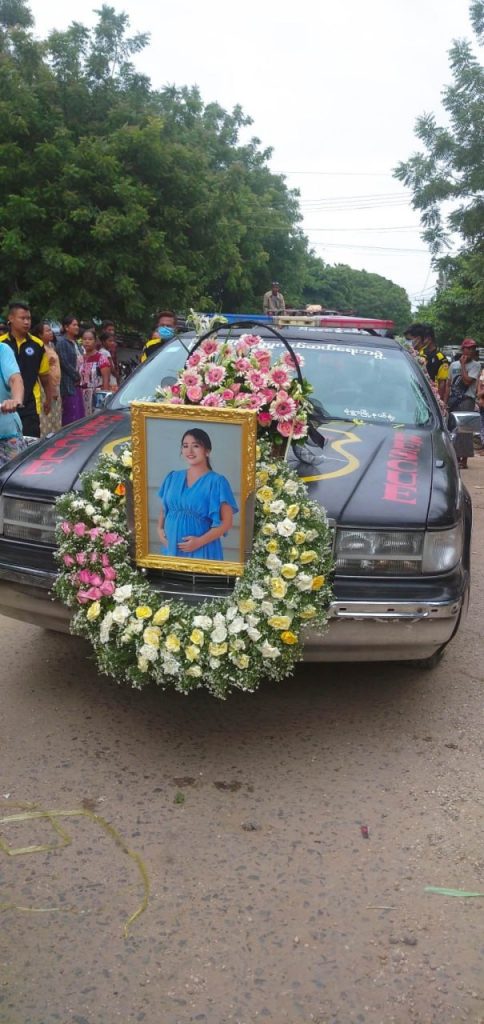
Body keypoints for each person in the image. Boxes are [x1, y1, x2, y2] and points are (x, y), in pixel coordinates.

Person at [157, 428, 238, 560]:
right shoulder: (172, 477)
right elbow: (165, 509)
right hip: (171, 549)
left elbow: (227, 523)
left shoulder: (217, 482)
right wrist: (160, 530)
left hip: (202, 550)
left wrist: (199, 542)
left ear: (207, 451)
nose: (189, 451)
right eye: (185, 446)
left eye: (195, 446)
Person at [0, 301, 53, 437]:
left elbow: (44, 376)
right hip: (5, 406)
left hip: (30, 404)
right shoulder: (2, 344)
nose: (26, 322)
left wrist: (48, 398)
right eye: (22, 318)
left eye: (28, 318)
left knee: (31, 443)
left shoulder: (37, 344)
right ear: (11, 318)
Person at [446, 338, 481, 469]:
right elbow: (449, 384)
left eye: (473, 348)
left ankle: (464, 459)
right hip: (454, 399)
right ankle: (455, 457)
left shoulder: (476, 365)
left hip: (467, 400)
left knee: (465, 430)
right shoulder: (453, 365)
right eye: (469, 348)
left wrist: (462, 365)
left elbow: (467, 381)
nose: (471, 350)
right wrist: (445, 401)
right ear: (463, 349)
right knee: (453, 428)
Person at [404, 322, 448, 398]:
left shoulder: (436, 357)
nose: (407, 342)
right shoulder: (412, 353)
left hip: (428, 396)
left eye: (409, 339)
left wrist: (438, 401)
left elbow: (442, 383)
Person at [34, 321, 62, 435]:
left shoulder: (50, 346)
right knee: (48, 417)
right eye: (47, 331)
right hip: (47, 387)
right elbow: (47, 372)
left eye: (51, 330)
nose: (51, 332)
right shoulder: (41, 348)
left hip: (56, 385)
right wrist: (52, 390)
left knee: (55, 417)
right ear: (40, 334)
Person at [56, 314, 85, 425]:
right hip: (68, 384)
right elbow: (64, 362)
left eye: (77, 325)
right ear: (66, 327)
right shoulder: (62, 342)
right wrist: (76, 376)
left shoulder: (76, 343)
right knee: (71, 415)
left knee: (79, 414)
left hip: (78, 384)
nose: (77, 327)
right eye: (74, 325)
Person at [0, 342, 26, 466]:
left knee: (14, 474)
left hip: (5, 435)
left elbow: (15, 379)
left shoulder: (2, 350)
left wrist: (15, 400)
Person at [79, 328, 111, 415]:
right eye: (84, 339)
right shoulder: (80, 358)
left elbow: (106, 380)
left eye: (90, 339)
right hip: (81, 397)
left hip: (96, 396)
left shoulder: (101, 358)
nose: (87, 342)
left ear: (95, 341)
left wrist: (103, 400)